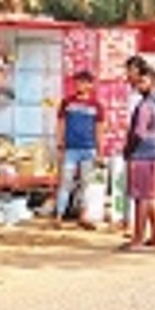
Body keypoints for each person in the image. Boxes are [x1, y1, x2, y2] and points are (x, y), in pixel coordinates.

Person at [121, 64, 155, 250]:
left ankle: (138, 239)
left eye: (143, 81)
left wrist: (128, 149)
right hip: (153, 152)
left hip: (142, 153)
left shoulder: (145, 105)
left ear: (153, 82)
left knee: (141, 198)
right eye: (138, 81)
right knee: (151, 196)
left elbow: (138, 132)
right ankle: (154, 237)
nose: (139, 85)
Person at [54, 70, 105, 228]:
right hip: (70, 149)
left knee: (86, 184)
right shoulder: (67, 103)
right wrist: (60, 143)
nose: (79, 85)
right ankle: (59, 216)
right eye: (77, 82)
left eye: (83, 82)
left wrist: (100, 152)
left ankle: (83, 215)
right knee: (65, 182)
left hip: (88, 150)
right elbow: (61, 124)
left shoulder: (97, 106)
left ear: (91, 85)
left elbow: (99, 130)